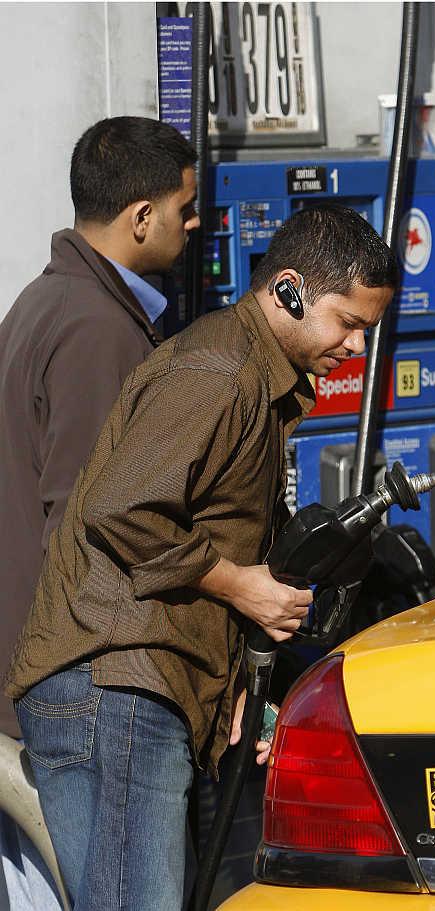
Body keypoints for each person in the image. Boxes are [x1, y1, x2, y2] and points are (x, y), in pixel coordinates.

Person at [4, 203, 398, 911]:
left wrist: (238, 682)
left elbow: (206, 528)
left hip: (135, 679)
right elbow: (120, 506)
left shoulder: (257, 378)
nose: (356, 347)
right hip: (116, 681)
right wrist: (241, 586)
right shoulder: (219, 370)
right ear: (289, 290)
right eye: (348, 321)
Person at [0, 115, 200, 909]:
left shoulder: (48, 300)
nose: (196, 224)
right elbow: (88, 532)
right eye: (184, 208)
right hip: (81, 692)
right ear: (140, 217)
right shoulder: (97, 331)